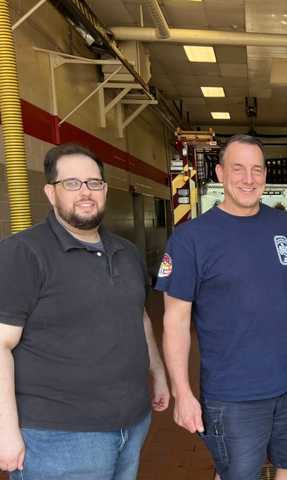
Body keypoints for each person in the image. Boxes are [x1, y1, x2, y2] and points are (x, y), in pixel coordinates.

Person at [157, 134, 287, 480]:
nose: (249, 179)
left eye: (256, 170)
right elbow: (174, 322)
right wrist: (182, 393)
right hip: (232, 394)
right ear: (220, 173)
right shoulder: (190, 240)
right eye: (238, 169)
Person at [0, 143, 169, 479]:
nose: (85, 193)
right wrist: (5, 431)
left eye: (94, 183)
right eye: (72, 184)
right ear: (50, 192)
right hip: (58, 436)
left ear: (105, 189)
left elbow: (140, 318)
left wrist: (159, 374)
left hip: (131, 424)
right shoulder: (22, 254)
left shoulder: (127, 253)